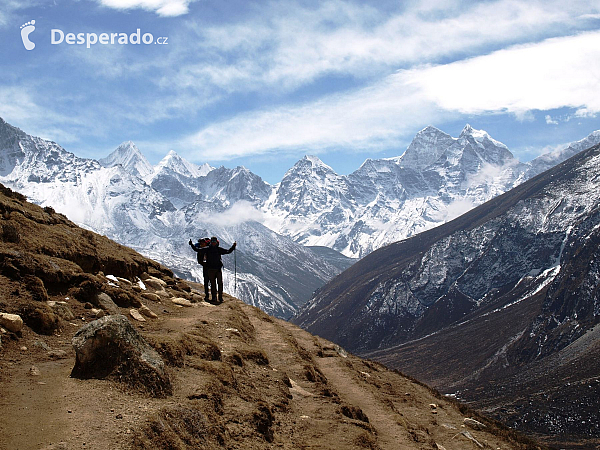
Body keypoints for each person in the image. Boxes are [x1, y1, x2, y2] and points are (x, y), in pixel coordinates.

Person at [199, 236, 236, 304]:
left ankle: (218, 297)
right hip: (215, 269)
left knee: (217, 283)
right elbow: (228, 251)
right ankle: (216, 297)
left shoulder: (210, 249)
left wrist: (233, 247)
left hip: (213, 269)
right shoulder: (214, 249)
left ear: (216, 242)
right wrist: (192, 244)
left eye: (214, 242)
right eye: (212, 242)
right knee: (216, 284)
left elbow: (228, 251)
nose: (213, 243)